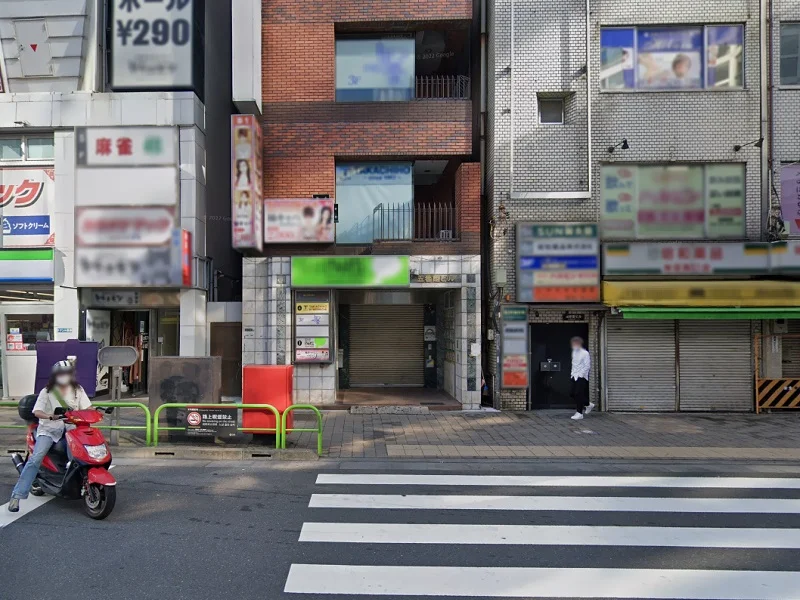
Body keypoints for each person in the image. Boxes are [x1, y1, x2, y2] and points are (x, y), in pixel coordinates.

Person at [8, 361, 92, 512]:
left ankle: (79, 483)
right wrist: (50, 416)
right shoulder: (47, 392)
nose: (64, 376)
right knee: (35, 459)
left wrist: (94, 412)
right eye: (61, 373)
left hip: (71, 430)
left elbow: (87, 407)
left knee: (81, 456)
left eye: (67, 372)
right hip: (49, 431)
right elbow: (37, 411)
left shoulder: (78, 390)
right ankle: (17, 496)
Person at [569, 337, 594, 420]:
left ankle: (579, 413)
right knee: (572, 393)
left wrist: (581, 375)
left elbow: (587, 366)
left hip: (581, 377)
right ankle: (588, 404)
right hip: (574, 375)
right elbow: (574, 364)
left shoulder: (585, 353)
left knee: (578, 394)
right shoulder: (574, 353)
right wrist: (572, 374)